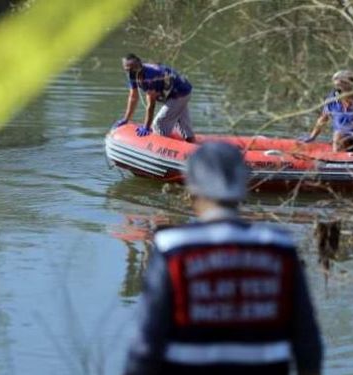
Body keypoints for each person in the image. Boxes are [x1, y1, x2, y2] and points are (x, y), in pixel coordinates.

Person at [123, 142, 323, 375]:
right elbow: (307, 343)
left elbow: (147, 345)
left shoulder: (172, 249)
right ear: (244, 186)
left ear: (193, 189)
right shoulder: (279, 247)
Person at [113, 53, 195, 143]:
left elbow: (151, 105)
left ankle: (162, 150)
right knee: (183, 124)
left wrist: (146, 127)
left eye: (134, 67)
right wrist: (126, 119)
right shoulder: (132, 74)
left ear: (139, 64)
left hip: (179, 93)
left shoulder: (150, 76)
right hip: (179, 92)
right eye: (127, 69)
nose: (131, 71)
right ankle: (192, 144)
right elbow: (133, 97)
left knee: (159, 123)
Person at [299, 70, 353, 152]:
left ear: (351, 82)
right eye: (338, 85)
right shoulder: (332, 100)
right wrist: (312, 136)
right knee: (338, 136)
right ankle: (339, 157)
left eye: (343, 83)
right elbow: (323, 119)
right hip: (342, 134)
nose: (340, 87)